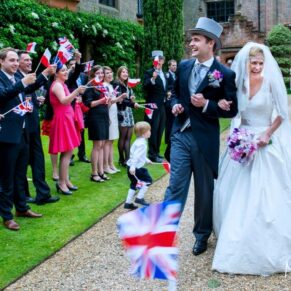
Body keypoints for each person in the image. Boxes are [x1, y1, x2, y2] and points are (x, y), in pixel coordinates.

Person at [212, 42, 291, 275]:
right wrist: (236, 133)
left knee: (267, 194)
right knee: (235, 192)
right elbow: (234, 112)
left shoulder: (270, 82)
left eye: (260, 63)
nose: (256, 67)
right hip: (243, 142)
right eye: (253, 63)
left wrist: (267, 134)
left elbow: (283, 114)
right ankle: (235, 238)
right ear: (246, 63)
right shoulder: (239, 84)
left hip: (266, 144)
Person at [163, 17, 238, 256]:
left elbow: (233, 108)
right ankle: (163, 233)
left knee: (204, 191)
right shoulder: (184, 67)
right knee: (175, 186)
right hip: (180, 135)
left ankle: (202, 235)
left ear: (210, 43)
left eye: (196, 39)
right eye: (191, 39)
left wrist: (207, 105)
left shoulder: (224, 74)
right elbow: (174, 93)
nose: (191, 43)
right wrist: (175, 105)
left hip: (205, 140)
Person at [0, 47, 43, 231]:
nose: (16, 64)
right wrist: (22, 83)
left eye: (17, 60)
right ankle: (7, 216)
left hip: (23, 132)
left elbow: (30, 87)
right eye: (12, 60)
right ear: (1, 61)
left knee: (20, 175)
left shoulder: (17, 77)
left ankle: (22, 208)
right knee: (7, 178)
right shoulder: (3, 79)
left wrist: (45, 75)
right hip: (7, 135)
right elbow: (2, 96)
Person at [16, 50, 60, 205]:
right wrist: (45, 73)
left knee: (38, 160)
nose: (29, 62)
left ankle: (43, 194)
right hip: (22, 127)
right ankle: (24, 195)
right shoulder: (17, 77)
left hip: (33, 124)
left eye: (30, 60)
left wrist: (36, 101)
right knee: (22, 163)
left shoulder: (27, 76)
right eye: (26, 60)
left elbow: (29, 93)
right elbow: (26, 88)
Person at [49, 64, 86, 195]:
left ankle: (66, 180)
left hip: (67, 117)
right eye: (63, 70)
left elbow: (67, 100)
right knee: (66, 152)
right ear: (56, 73)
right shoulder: (57, 85)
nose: (66, 72)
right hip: (62, 119)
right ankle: (62, 183)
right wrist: (76, 91)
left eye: (66, 70)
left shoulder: (62, 84)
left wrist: (76, 97)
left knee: (69, 152)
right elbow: (64, 101)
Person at [83, 65, 111, 182]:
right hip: (94, 117)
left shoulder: (102, 86)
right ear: (93, 74)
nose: (101, 75)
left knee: (102, 144)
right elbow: (88, 104)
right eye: (98, 73)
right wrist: (101, 100)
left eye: (102, 73)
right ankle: (94, 173)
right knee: (97, 145)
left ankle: (101, 171)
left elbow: (106, 103)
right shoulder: (90, 86)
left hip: (104, 116)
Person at [143, 51, 167, 163]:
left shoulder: (164, 73)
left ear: (163, 61)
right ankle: (152, 154)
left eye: (160, 59)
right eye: (156, 59)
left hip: (163, 105)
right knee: (153, 128)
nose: (158, 61)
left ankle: (156, 152)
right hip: (152, 106)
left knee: (160, 129)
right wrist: (152, 79)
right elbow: (145, 86)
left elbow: (165, 88)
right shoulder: (149, 72)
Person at [124, 121, 153, 210]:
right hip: (136, 168)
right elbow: (136, 156)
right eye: (149, 130)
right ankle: (139, 198)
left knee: (134, 183)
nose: (150, 132)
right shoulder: (142, 144)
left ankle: (128, 203)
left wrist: (147, 160)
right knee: (148, 180)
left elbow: (138, 155)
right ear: (144, 133)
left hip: (131, 166)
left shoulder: (138, 141)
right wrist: (133, 167)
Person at [115, 66, 139, 167]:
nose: (125, 73)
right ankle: (122, 158)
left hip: (129, 112)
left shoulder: (127, 85)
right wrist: (132, 104)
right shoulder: (117, 84)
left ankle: (127, 159)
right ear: (119, 74)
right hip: (122, 112)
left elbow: (128, 100)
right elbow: (120, 100)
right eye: (123, 72)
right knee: (123, 137)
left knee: (129, 137)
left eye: (126, 72)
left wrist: (132, 99)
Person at [164, 59, 177, 161]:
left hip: (174, 100)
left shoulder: (176, 75)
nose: (174, 67)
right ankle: (168, 140)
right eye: (172, 65)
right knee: (169, 122)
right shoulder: (167, 75)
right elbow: (166, 87)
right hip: (168, 101)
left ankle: (171, 139)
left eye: (175, 65)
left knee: (173, 122)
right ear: (169, 66)